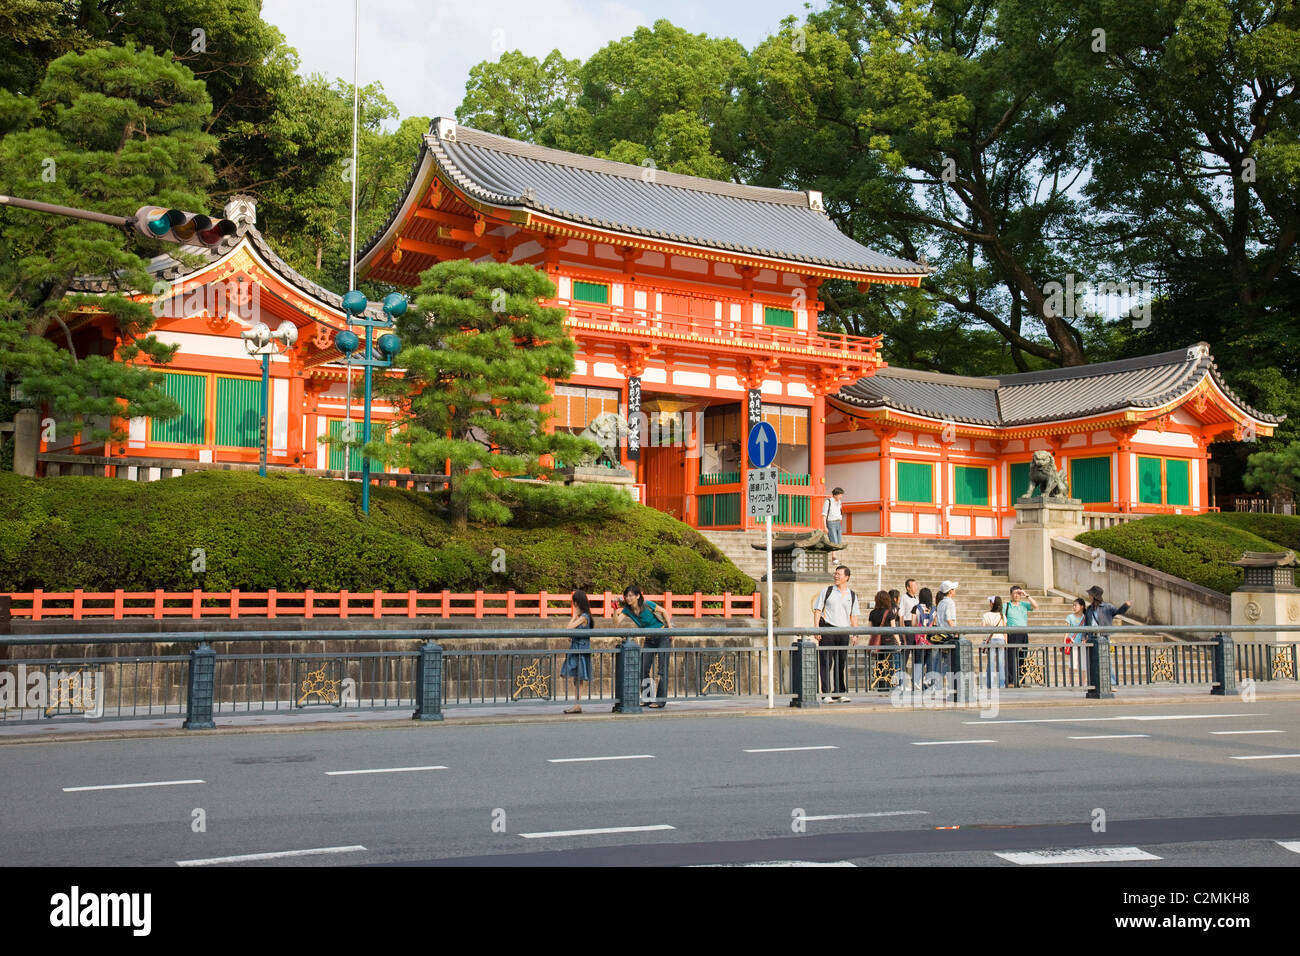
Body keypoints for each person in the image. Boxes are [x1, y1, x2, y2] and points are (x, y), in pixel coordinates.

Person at [614, 584, 672, 708]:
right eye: (626, 596)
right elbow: (617, 623)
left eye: (631, 595)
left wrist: (670, 629)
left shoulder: (647, 604)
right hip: (649, 639)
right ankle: (648, 699)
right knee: (643, 668)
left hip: (663, 636)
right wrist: (615, 609)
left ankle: (660, 701)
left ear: (637, 596)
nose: (628, 598)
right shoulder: (627, 610)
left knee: (662, 669)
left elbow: (663, 611)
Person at [812, 564, 860, 702]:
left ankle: (839, 692)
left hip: (844, 630)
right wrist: (816, 628)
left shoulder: (852, 595)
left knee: (841, 663)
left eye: (839, 574)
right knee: (826, 662)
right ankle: (826, 693)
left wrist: (855, 633)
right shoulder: (827, 591)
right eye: (835, 573)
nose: (836, 576)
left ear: (847, 577)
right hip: (828, 629)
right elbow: (817, 610)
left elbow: (854, 615)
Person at [560, 590, 594, 713]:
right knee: (576, 679)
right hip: (576, 649)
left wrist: (574, 615)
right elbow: (570, 631)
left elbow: (568, 628)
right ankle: (577, 704)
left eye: (574, 602)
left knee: (578, 678)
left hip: (580, 651)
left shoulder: (584, 617)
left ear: (577, 602)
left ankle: (577, 704)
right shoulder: (583, 616)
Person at [1004, 585, 1037, 688]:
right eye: (1015, 593)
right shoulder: (1007, 605)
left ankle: (1021, 680)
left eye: (1019, 593)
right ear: (1011, 594)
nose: (1017, 595)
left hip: (1023, 633)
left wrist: (1026, 595)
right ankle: (1011, 680)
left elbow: (1035, 606)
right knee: (1011, 657)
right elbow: (1003, 620)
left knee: (1023, 657)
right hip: (1012, 633)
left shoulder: (1023, 605)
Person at [869, 590, 903, 690]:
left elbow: (870, 629)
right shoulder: (889, 613)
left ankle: (881, 686)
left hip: (878, 644)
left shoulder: (873, 613)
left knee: (879, 664)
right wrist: (899, 641)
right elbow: (894, 629)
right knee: (890, 664)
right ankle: (890, 685)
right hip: (889, 642)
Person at [932, 581, 959, 680]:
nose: (954, 591)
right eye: (953, 589)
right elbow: (949, 619)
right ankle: (939, 679)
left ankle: (934, 680)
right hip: (948, 635)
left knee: (939, 659)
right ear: (950, 591)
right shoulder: (950, 602)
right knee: (947, 661)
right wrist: (956, 632)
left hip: (940, 635)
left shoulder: (940, 603)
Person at [981, 596, 1007, 689]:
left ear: (992, 604)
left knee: (990, 663)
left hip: (991, 639)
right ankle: (1001, 684)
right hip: (1000, 639)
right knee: (1001, 663)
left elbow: (983, 628)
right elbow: (1005, 630)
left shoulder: (986, 615)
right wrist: (1006, 642)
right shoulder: (1002, 616)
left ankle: (990, 684)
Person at [1065, 597, 1088, 685]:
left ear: (1082, 606)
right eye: (1073, 605)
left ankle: (1083, 682)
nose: (1074, 607)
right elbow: (1066, 630)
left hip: (1083, 643)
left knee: (1083, 664)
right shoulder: (1070, 617)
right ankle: (1071, 682)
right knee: (1072, 664)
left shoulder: (1085, 617)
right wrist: (1065, 642)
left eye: (1076, 605)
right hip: (1073, 642)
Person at [823, 487, 845, 565]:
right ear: (835, 494)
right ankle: (834, 558)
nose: (841, 496)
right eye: (840, 494)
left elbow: (839, 512)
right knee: (834, 540)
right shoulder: (828, 502)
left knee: (838, 541)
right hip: (831, 522)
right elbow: (824, 515)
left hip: (838, 522)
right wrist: (825, 526)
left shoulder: (839, 502)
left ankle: (833, 556)